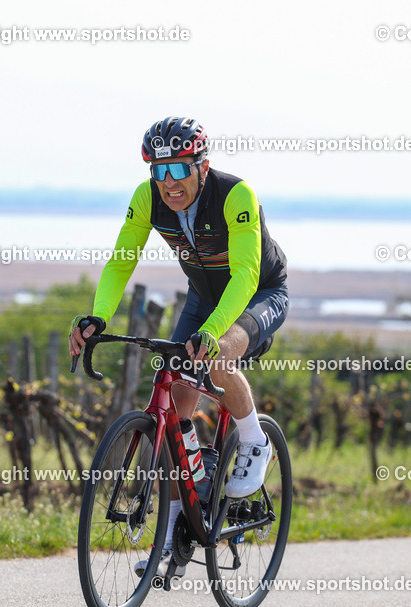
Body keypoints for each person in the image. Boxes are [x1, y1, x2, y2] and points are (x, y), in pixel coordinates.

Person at [68, 116, 289, 578]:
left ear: (201, 167)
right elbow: (121, 260)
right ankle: (173, 536)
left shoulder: (235, 195)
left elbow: (246, 274)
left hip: (258, 294)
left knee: (219, 353)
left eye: (178, 169)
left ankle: (254, 441)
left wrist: (215, 332)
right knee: (174, 411)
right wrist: (99, 316)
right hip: (203, 297)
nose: (168, 182)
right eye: (158, 171)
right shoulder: (148, 197)